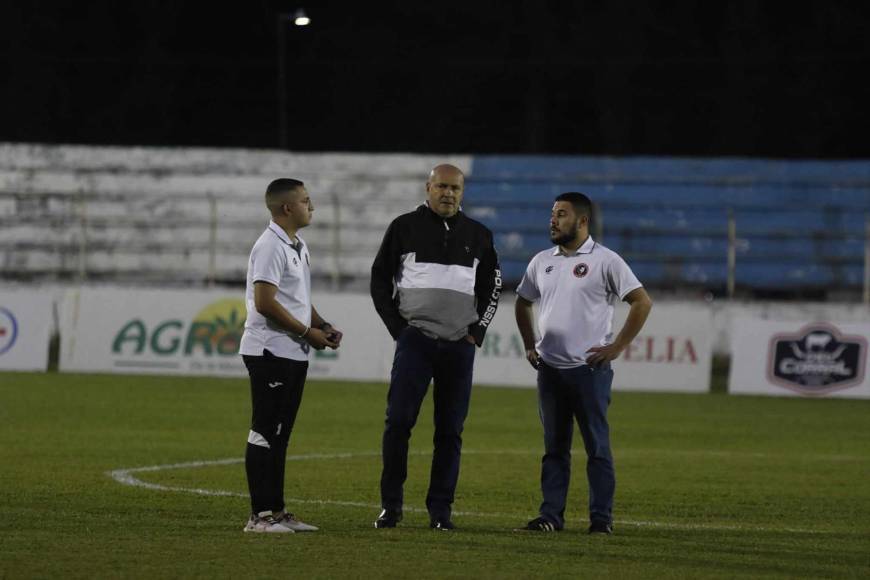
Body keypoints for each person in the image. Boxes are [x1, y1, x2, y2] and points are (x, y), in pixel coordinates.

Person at [370, 164, 502, 530]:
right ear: (428, 187)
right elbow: (379, 279)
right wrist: (400, 329)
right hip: (416, 342)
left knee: (450, 431)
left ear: (463, 192)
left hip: (460, 346)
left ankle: (440, 512)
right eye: (442, 186)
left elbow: (492, 287)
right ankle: (391, 506)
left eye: (455, 188)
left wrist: (477, 330)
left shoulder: (479, 234)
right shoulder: (403, 227)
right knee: (398, 423)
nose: (449, 193)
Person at [514, 192, 652, 535]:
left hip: (589, 371)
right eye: (552, 214)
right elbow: (522, 302)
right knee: (554, 449)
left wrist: (617, 346)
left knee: (597, 448)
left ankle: (601, 520)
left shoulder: (606, 260)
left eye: (561, 214)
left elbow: (641, 302)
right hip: (550, 370)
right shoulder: (541, 261)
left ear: (582, 221)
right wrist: (530, 344)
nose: (553, 220)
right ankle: (550, 517)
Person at [238, 178, 343, 533]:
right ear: (287, 208)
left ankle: (277, 511)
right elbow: (265, 303)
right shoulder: (270, 246)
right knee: (265, 430)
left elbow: (296, 298)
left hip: (292, 351)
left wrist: (322, 324)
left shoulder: (297, 245)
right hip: (269, 349)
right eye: (305, 201)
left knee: (281, 432)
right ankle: (258, 517)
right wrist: (306, 332)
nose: (310, 206)